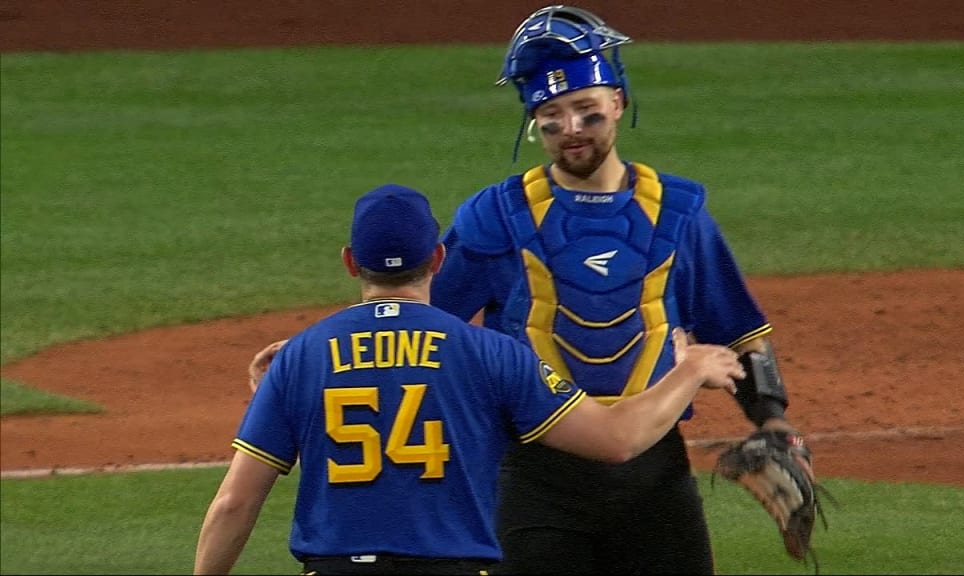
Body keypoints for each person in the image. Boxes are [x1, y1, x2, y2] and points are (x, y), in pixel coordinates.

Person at [429, 6, 812, 574]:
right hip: (533, 477)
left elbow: (735, 328)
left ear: (619, 103)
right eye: (552, 116)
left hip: (654, 478)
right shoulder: (495, 218)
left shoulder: (677, 214)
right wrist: (327, 356)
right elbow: (421, 322)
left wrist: (773, 421)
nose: (572, 130)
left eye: (587, 111)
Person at [196, 183, 745, 575]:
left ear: (349, 262)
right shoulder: (492, 353)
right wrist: (691, 370)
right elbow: (616, 440)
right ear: (437, 257)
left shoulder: (302, 358)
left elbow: (232, 505)